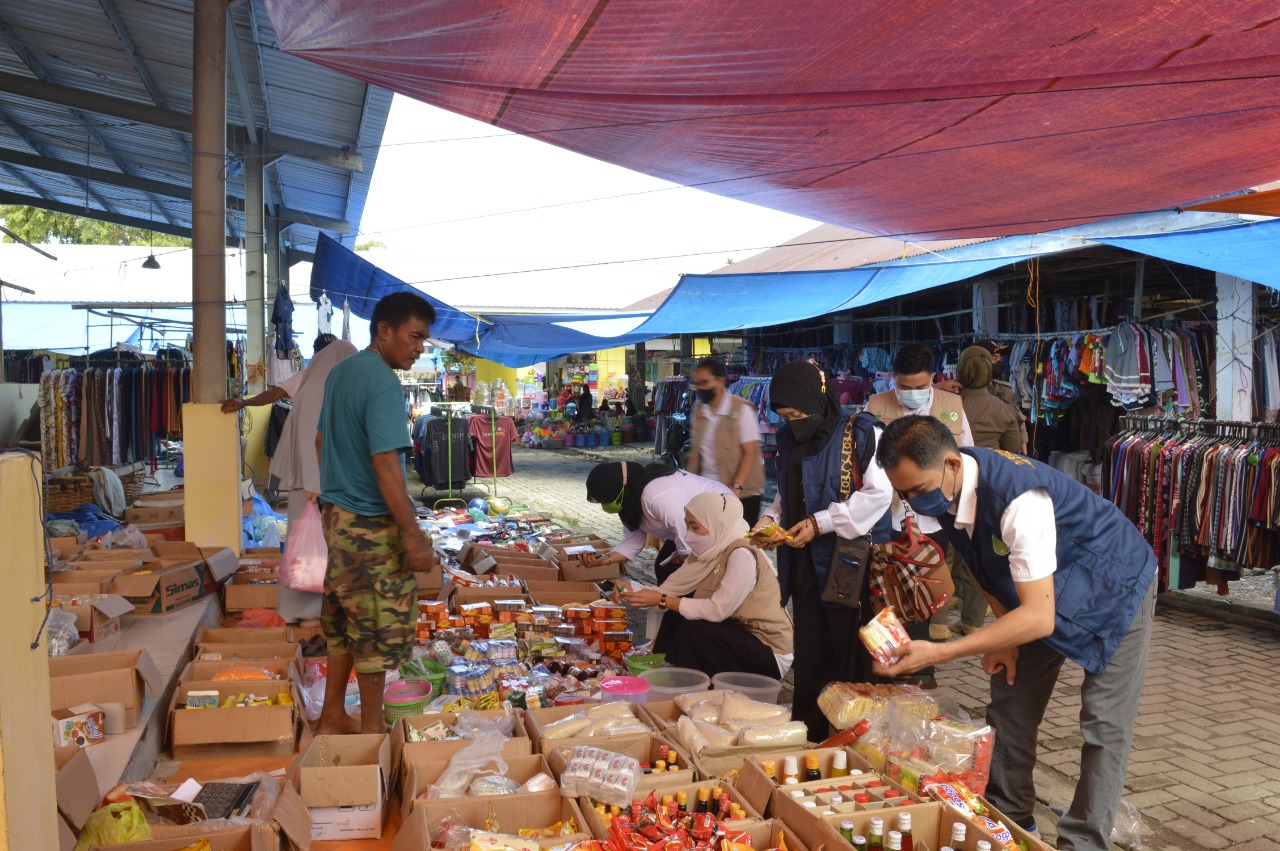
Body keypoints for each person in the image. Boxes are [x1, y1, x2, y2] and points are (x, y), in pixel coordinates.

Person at [874, 415, 1156, 851]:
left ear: (951, 464)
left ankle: (1083, 843)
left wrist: (939, 652)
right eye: (902, 492)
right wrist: (1005, 634)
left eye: (916, 490)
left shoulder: (1019, 500)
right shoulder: (949, 490)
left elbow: (1039, 619)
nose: (911, 501)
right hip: (1042, 591)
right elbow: (980, 561)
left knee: (1104, 723)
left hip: (1113, 584)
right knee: (1009, 698)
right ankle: (1011, 817)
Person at [750, 360, 893, 740]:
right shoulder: (787, 438)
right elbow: (788, 490)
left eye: (797, 415)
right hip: (803, 565)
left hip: (850, 567)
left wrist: (820, 523)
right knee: (811, 652)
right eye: (785, 417)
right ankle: (812, 736)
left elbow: (879, 494)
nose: (792, 423)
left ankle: (854, 739)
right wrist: (770, 519)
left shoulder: (862, 432)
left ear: (818, 397)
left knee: (851, 654)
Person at [314, 292, 436, 735]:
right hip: (368, 525)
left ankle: (332, 714)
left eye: (424, 339)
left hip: (339, 517)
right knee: (375, 631)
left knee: (344, 622)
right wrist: (413, 534)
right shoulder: (382, 381)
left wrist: (335, 497)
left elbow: (320, 442)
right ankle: (370, 733)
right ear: (384, 330)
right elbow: (386, 464)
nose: (420, 347)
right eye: (414, 336)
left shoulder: (342, 372)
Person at [226, 334, 358, 623]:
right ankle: (320, 608)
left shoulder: (306, 381)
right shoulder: (338, 386)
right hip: (324, 483)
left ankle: (298, 608)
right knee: (325, 545)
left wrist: (243, 402)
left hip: (304, 480)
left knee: (305, 543)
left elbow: (274, 395)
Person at [619, 492, 792, 679]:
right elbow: (666, 592)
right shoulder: (708, 551)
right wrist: (631, 590)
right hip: (737, 635)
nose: (689, 535)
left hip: (768, 650)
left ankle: (686, 681)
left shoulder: (742, 554)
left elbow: (717, 610)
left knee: (696, 627)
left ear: (717, 524)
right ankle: (668, 669)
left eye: (695, 527)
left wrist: (664, 600)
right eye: (687, 526)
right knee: (679, 609)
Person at [865, 343, 972, 643]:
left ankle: (929, 643)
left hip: (938, 512)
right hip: (890, 514)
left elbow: (966, 454)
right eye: (904, 387)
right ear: (893, 379)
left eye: (921, 387)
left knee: (932, 575)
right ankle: (894, 644)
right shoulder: (875, 405)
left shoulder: (953, 405)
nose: (912, 393)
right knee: (893, 581)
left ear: (933, 378)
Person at [944, 345, 1021, 635]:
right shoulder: (1003, 408)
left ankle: (940, 616)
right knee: (978, 549)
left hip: (947, 481)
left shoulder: (948, 403)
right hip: (985, 484)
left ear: (960, 371)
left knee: (944, 548)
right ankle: (973, 620)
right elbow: (1013, 450)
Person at [580, 461, 733, 584]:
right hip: (687, 530)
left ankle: (685, 609)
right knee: (664, 569)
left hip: (719, 517)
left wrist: (682, 557)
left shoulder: (655, 495)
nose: (604, 506)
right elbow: (633, 541)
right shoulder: (630, 503)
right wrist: (602, 561)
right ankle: (673, 608)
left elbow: (684, 528)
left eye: (605, 500)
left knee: (679, 576)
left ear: (616, 490)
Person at [686, 357, 766, 526]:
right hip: (709, 489)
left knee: (739, 537)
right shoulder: (698, 409)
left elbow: (750, 452)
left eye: (705, 382)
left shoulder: (741, 409)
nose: (701, 388)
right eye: (697, 383)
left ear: (720, 381)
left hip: (743, 492)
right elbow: (696, 451)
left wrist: (736, 486)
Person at [937, 340, 1027, 453]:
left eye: (999, 358)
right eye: (994, 358)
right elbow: (1013, 447)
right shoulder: (1003, 406)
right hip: (988, 461)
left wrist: (935, 388)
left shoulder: (943, 400)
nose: (999, 361)